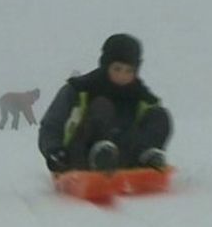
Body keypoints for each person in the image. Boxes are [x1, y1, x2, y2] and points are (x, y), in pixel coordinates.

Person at [38, 33, 172, 172]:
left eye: (129, 71)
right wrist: (54, 151)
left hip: (123, 157)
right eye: (117, 69)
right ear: (106, 65)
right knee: (102, 106)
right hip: (80, 156)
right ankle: (100, 153)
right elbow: (52, 125)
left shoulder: (142, 98)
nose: (122, 76)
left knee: (159, 114)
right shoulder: (79, 90)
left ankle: (145, 157)